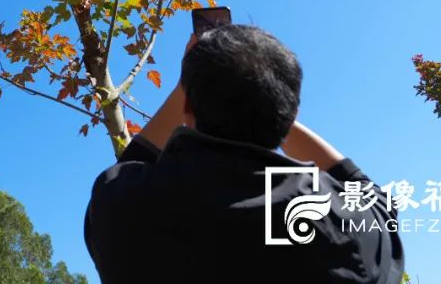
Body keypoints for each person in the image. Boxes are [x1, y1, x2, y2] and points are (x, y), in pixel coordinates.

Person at [84, 24, 405, 283]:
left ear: (187, 105)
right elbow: (375, 201)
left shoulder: (126, 209)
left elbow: (132, 163)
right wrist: (269, 101)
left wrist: (189, 85)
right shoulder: (337, 220)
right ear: (290, 111)